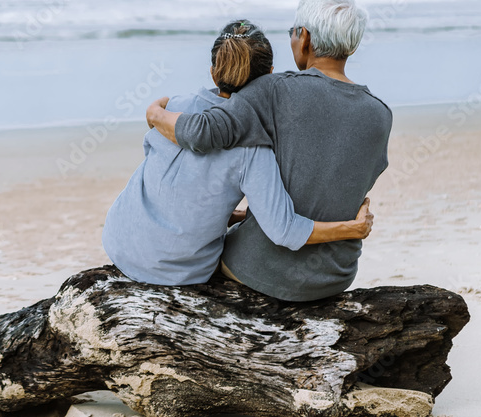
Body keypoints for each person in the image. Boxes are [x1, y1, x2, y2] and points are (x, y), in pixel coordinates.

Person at [146, 0, 391, 301]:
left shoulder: (276, 90)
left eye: (293, 32)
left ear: (304, 38)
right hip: (335, 276)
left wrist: (156, 113)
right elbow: (326, 187)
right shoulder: (380, 114)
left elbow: (201, 133)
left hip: (259, 272)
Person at [103, 20, 373, 287]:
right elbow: (285, 231)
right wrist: (353, 228)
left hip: (118, 240)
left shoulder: (174, 106)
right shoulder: (254, 148)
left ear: (213, 72)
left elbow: (171, 180)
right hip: (175, 272)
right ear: (269, 76)